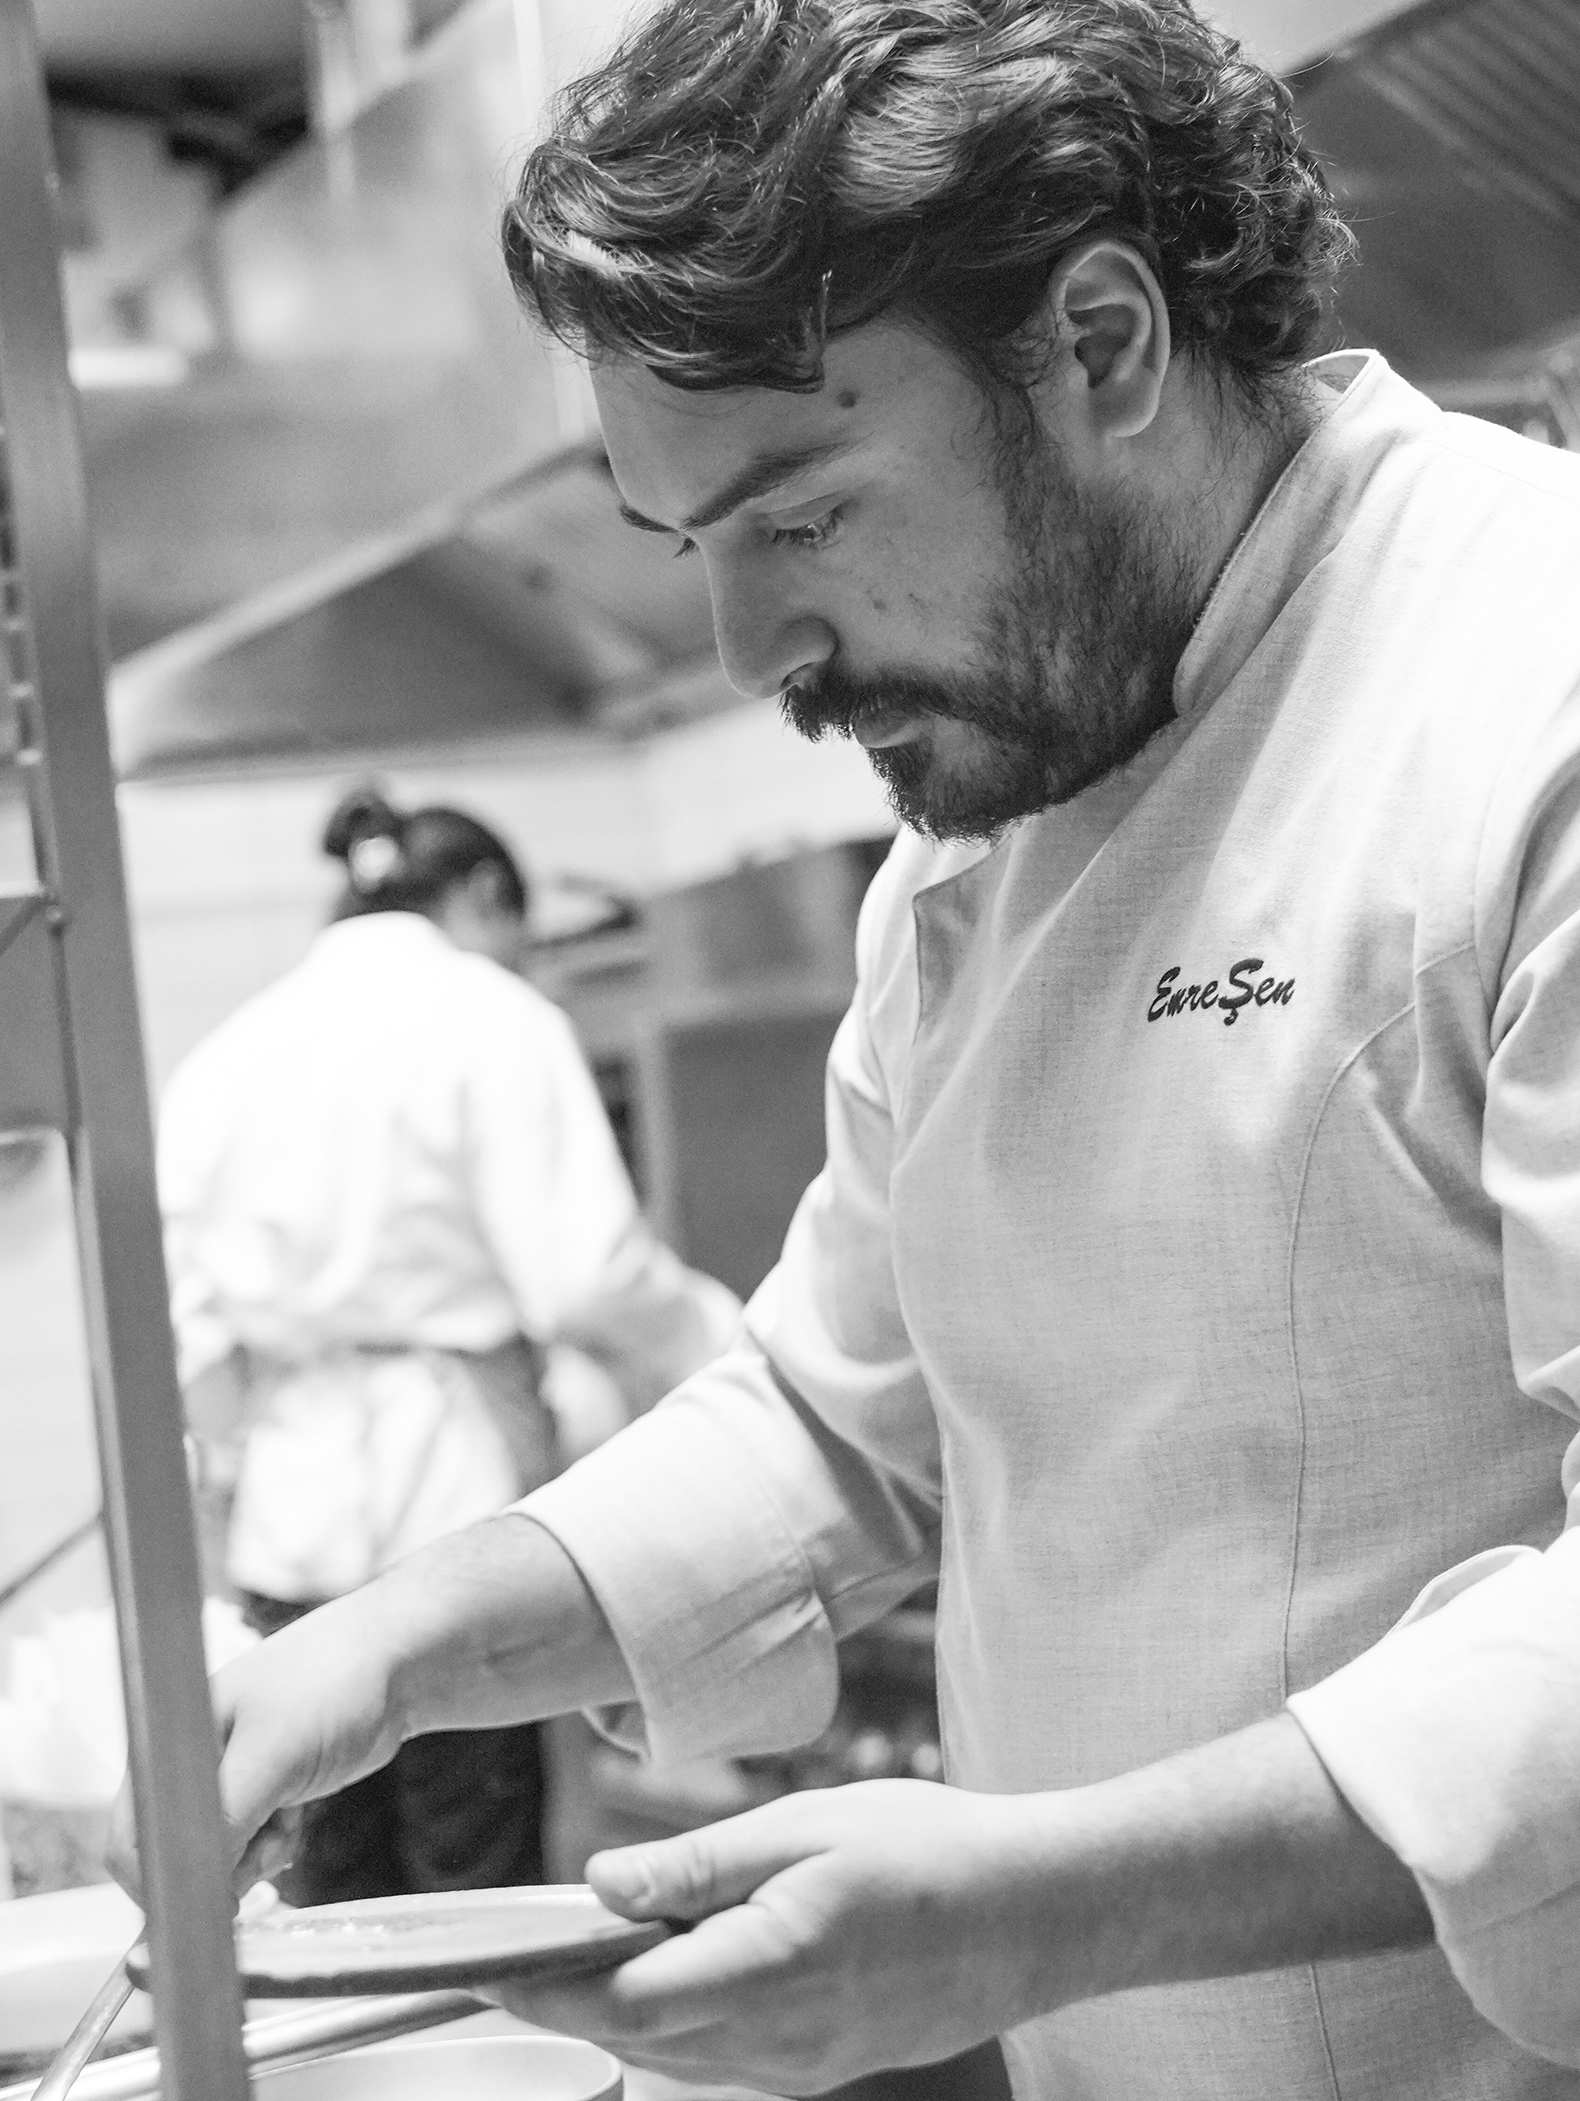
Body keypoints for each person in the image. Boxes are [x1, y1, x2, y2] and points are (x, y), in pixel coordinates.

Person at [112, 4, 1580, 2095]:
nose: (751, 652)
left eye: (796, 515)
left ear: (1100, 345)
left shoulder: (1527, 689)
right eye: (689, 547)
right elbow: (838, 1412)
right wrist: (393, 1646)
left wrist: (1045, 1905)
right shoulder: (981, 827)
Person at [158, 785, 738, 1903]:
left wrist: (261, 1431)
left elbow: (191, 1346)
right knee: (473, 1886)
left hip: (288, 1532)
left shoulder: (224, 1055)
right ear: (483, 895)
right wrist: (722, 1344)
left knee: (325, 1895)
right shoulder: (494, 1018)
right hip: (454, 1518)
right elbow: (583, 1275)